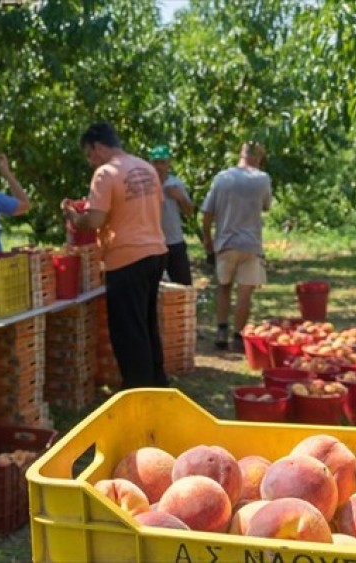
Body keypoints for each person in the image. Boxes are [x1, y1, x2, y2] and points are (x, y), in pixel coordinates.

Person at [62, 122, 169, 389]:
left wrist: (74, 217)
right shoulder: (146, 167)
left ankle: (137, 389)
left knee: (128, 330)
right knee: (146, 323)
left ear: (98, 147)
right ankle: (157, 382)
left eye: (89, 154)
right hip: (155, 251)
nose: (90, 161)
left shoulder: (105, 173)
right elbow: (155, 206)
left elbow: (94, 221)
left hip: (126, 257)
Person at [201, 141, 272, 351]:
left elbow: (207, 212)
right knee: (244, 292)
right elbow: (266, 206)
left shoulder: (222, 178)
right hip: (251, 243)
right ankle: (238, 336)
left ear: (241, 154)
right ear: (259, 158)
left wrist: (207, 238)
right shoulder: (262, 178)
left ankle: (221, 330)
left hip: (226, 242)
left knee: (224, 287)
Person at [149, 145, 194, 285]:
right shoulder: (146, 185)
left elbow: (189, 212)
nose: (159, 166)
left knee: (183, 284)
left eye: (162, 162)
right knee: (152, 285)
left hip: (174, 242)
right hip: (152, 243)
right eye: (155, 162)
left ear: (169, 164)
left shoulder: (175, 183)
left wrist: (180, 197)